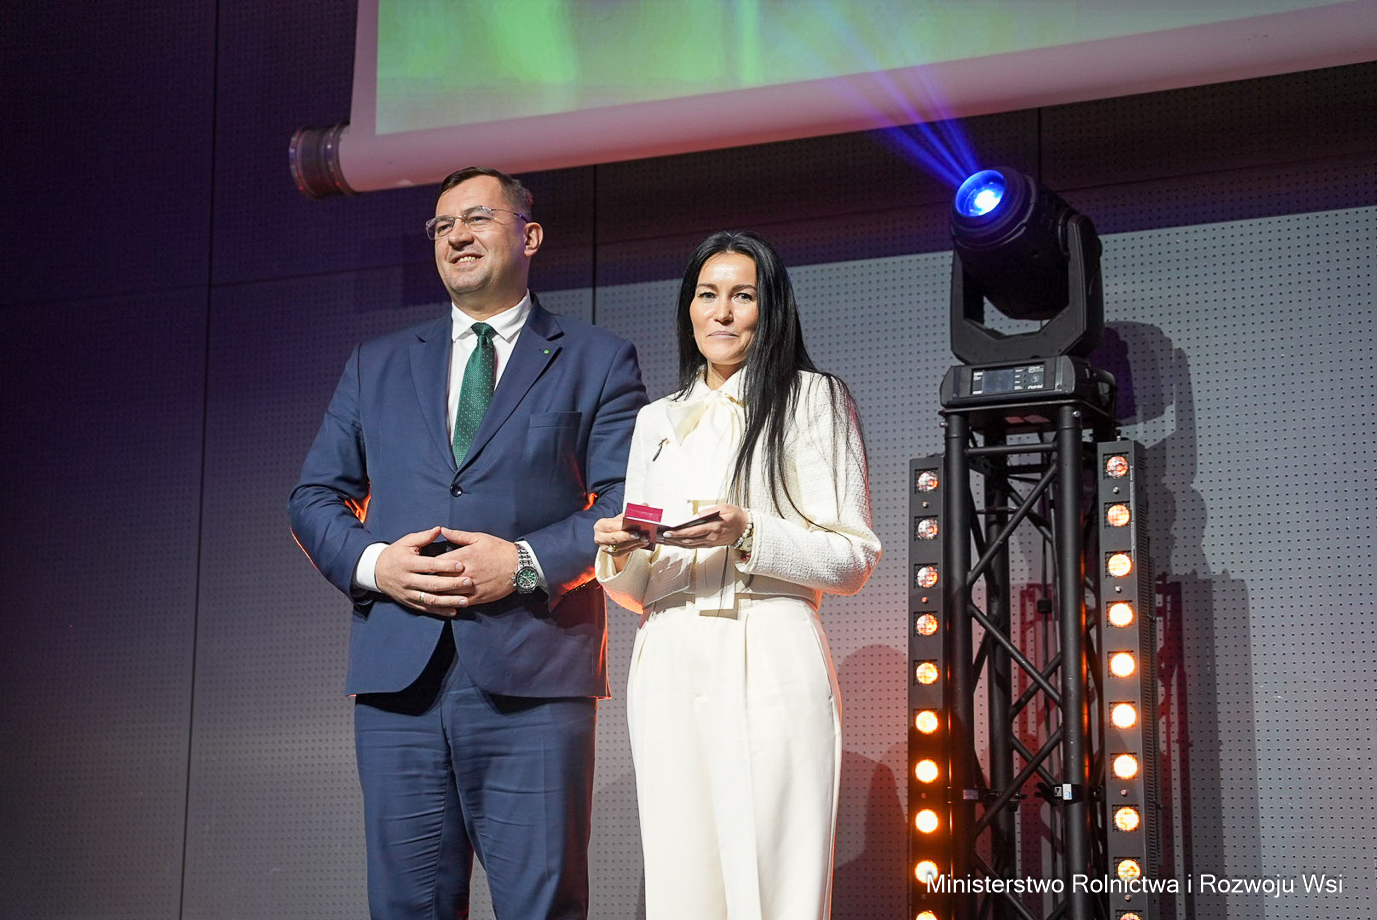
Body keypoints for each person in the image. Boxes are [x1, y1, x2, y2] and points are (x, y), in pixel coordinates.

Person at [289, 166, 647, 920]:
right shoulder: (377, 363)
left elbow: (628, 502)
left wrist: (522, 564)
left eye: (477, 218)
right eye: (441, 225)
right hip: (399, 683)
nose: (456, 235)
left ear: (529, 235)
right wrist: (375, 565)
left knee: (542, 906)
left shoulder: (597, 358)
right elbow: (314, 496)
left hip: (534, 675)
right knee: (406, 907)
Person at [592, 231, 880, 920]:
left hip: (769, 642)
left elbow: (852, 559)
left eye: (742, 296)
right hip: (667, 651)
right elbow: (637, 590)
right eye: (707, 295)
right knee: (681, 880)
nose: (721, 312)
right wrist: (621, 551)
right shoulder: (656, 420)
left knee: (774, 879)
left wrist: (747, 531)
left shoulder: (811, 399)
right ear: (688, 309)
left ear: (769, 307)